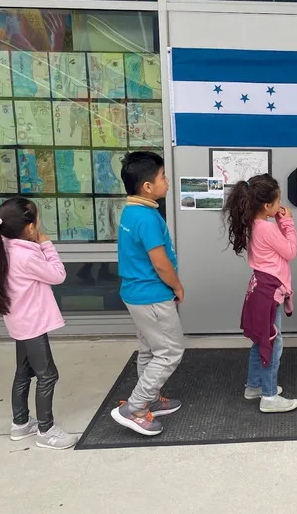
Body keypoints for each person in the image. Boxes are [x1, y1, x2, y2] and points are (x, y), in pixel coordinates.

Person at [0, 197, 78, 449]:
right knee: (48, 375)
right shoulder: (25, 256)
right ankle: (46, 431)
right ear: (29, 228)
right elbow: (58, 275)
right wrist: (46, 245)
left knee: (23, 372)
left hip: (19, 322)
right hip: (32, 324)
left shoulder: (4, 247)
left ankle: (21, 423)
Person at [111, 151, 185, 436]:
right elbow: (160, 262)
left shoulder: (131, 211)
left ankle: (150, 398)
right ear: (147, 187)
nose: (167, 181)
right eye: (163, 177)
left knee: (150, 349)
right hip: (152, 295)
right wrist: (177, 286)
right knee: (170, 351)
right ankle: (136, 407)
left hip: (135, 293)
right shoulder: (147, 218)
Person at [224, 174, 297, 414]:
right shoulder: (267, 228)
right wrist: (288, 223)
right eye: (277, 202)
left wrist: (278, 219)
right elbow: (290, 251)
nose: (280, 206)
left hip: (259, 288)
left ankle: (254, 385)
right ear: (267, 206)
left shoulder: (253, 224)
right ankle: (269, 396)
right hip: (270, 292)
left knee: (261, 339)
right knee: (272, 343)